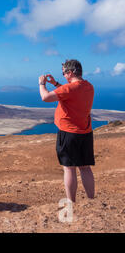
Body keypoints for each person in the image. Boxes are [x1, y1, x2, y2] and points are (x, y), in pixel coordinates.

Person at [39, 59, 95, 203]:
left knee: (69, 168)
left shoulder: (69, 89)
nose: (63, 75)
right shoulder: (88, 87)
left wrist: (42, 84)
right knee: (85, 168)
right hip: (85, 132)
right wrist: (56, 84)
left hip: (69, 133)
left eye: (64, 73)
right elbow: (71, 91)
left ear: (70, 73)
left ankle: (71, 202)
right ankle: (91, 200)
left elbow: (45, 97)